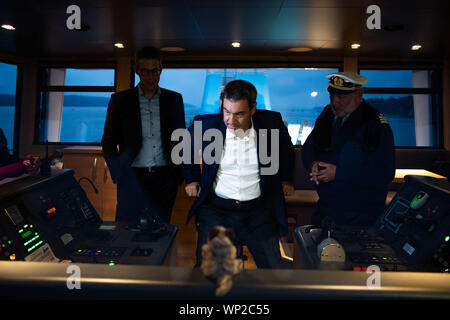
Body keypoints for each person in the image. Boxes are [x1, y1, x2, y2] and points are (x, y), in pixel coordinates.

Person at [183, 80, 295, 268]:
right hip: (217, 211)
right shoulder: (206, 124)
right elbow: (186, 146)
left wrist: (286, 178)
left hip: (259, 211)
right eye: (227, 112)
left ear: (253, 109)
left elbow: (287, 152)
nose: (231, 121)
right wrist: (192, 178)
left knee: (274, 272)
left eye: (239, 114)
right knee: (208, 272)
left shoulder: (272, 122)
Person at [102, 46, 185, 223]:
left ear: (161, 69)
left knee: (161, 231)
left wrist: (177, 175)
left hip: (165, 178)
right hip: (131, 176)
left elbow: (180, 138)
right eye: (145, 72)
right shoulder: (120, 100)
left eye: (155, 71)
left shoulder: (174, 99)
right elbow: (108, 142)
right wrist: (118, 172)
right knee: (126, 229)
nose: (151, 77)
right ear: (137, 71)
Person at [302, 72, 396, 227]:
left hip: (361, 214)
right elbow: (308, 148)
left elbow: (384, 173)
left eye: (341, 98)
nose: (335, 103)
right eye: (332, 96)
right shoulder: (327, 115)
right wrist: (313, 163)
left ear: (359, 95)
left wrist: (339, 173)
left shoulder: (374, 123)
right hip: (327, 209)